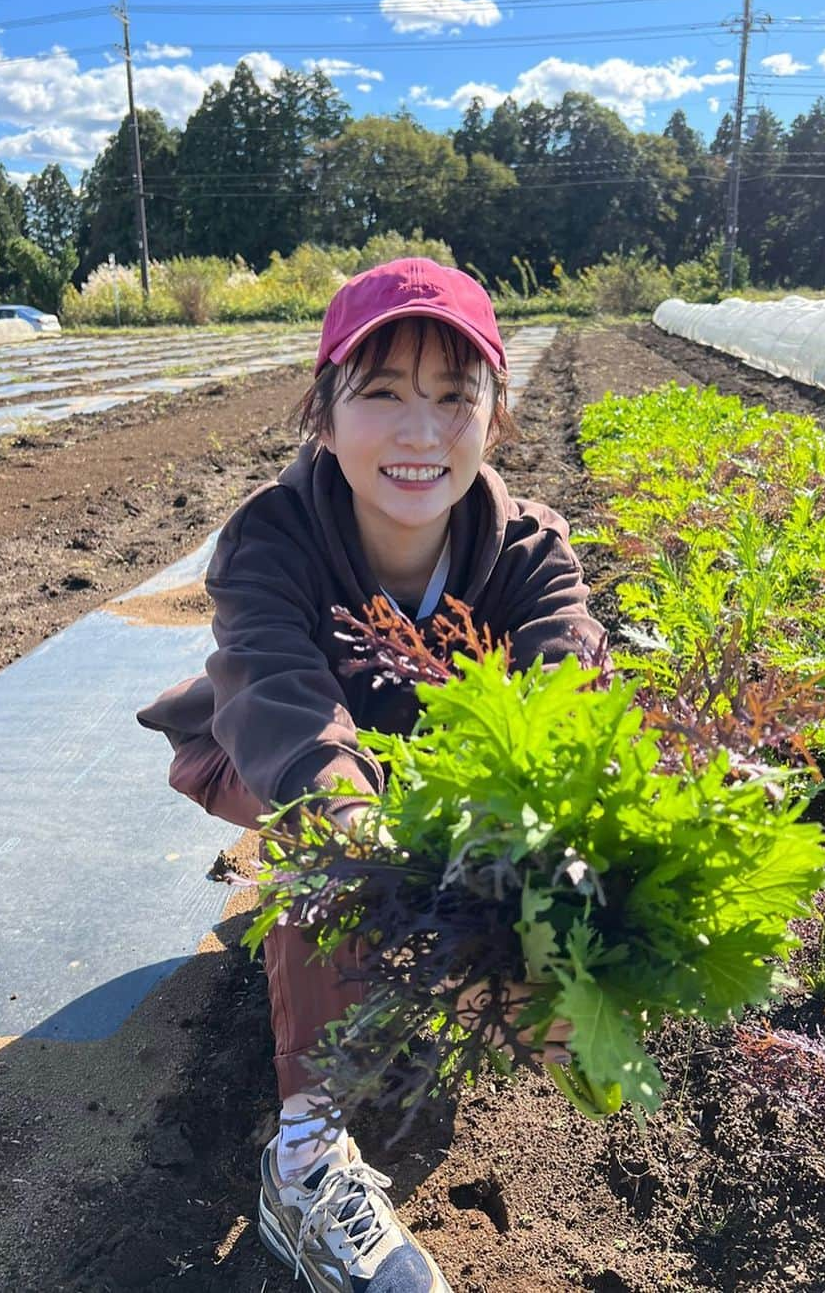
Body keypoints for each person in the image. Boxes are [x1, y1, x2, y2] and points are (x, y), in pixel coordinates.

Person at [136, 257, 609, 1293]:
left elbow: (566, 676)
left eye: (454, 397)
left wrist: (529, 861)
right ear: (324, 408)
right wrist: (357, 827)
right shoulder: (275, 536)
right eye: (382, 393)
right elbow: (278, 691)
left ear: (496, 412)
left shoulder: (528, 551)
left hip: (433, 789)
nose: (419, 433)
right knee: (330, 851)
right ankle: (303, 1161)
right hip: (260, 754)